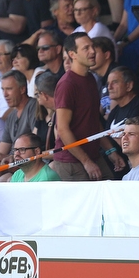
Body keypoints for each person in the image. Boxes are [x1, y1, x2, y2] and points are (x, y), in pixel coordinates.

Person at [50, 33, 109, 181]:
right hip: (71, 161)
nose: (92, 51)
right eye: (86, 48)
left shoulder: (90, 79)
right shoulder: (67, 84)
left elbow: (94, 121)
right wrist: (86, 161)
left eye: (93, 46)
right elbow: (62, 129)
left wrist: (112, 151)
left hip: (93, 156)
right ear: (72, 54)